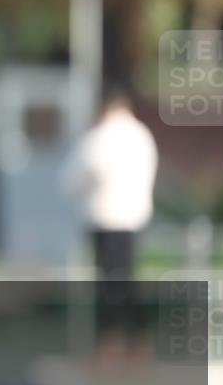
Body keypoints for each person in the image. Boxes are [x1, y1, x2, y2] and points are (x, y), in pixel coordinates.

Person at [63, 90, 159, 365]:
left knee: (110, 285)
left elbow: (76, 177)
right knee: (127, 281)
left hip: (106, 219)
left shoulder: (103, 136)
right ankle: (138, 344)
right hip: (134, 219)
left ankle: (112, 345)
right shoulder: (142, 135)